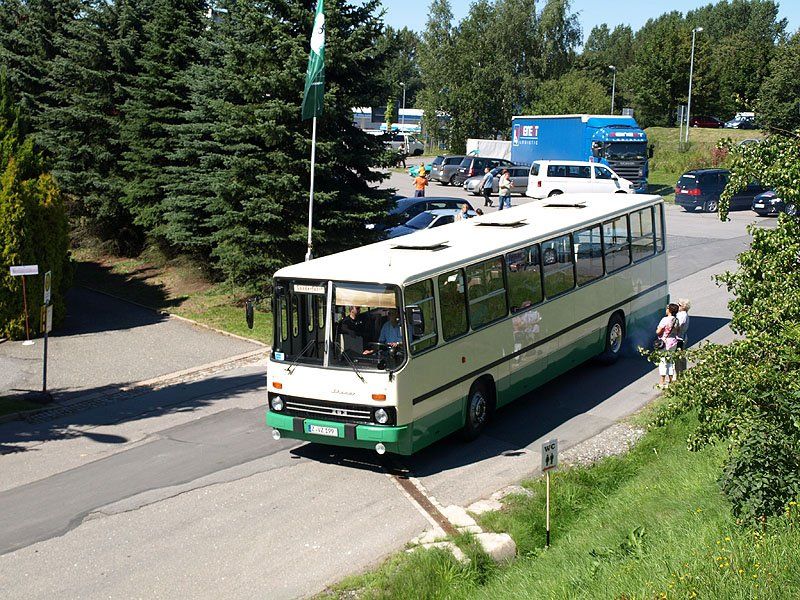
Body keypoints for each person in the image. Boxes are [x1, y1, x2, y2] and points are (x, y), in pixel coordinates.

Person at [656, 303, 680, 387]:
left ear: (669, 310)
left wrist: (659, 331)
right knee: (670, 360)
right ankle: (670, 380)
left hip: (665, 342)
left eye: (667, 308)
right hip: (673, 342)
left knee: (663, 361)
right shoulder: (676, 320)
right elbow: (678, 331)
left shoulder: (665, 320)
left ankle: (662, 381)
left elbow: (658, 331)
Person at [675, 298, 691, 378]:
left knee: (678, 358)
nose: (678, 306)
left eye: (679, 305)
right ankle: (683, 374)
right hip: (682, 337)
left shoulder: (682, 315)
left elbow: (678, 326)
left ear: (683, 307)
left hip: (679, 339)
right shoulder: (683, 314)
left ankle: (679, 376)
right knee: (681, 357)